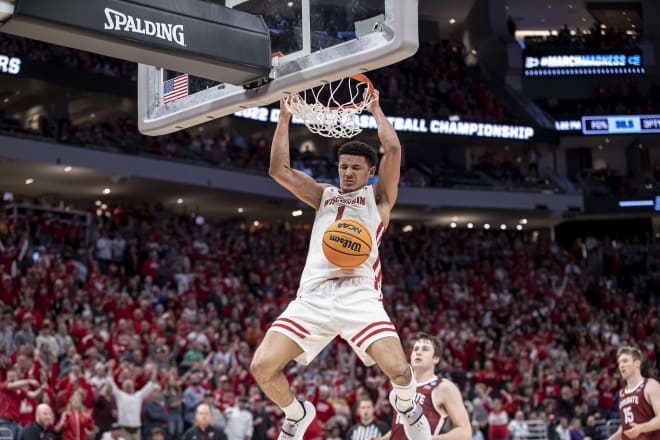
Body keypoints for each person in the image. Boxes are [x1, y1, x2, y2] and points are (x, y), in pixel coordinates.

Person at [249, 91, 431, 440]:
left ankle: (407, 406)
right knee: (262, 366)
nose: (347, 173)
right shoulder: (324, 196)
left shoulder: (379, 199)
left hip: (359, 295)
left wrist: (376, 107)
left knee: (399, 370)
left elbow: (393, 150)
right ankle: (297, 414)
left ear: (370, 171)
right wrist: (284, 116)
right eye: (343, 167)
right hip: (313, 297)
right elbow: (278, 170)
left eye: (355, 168)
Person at [381, 333, 471, 440]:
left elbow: (465, 432)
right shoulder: (402, 386)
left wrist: (428, 438)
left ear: (436, 358)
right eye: (416, 349)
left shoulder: (444, 388)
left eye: (425, 349)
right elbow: (402, 425)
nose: (418, 352)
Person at [607, 346, 660, 440]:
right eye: (619, 362)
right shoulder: (621, 393)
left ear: (637, 363)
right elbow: (626, 427)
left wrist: (641, 428)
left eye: (625, 361)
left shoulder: (650, 385)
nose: (621, 365)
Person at [106, 361, 160, 440]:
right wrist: (110, 368)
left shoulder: (138, 396)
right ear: (123, 386)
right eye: (127, 384)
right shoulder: (120, 395)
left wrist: (154, 371)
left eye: (130, 385)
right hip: (124, 428)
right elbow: (110, 382)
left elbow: (151, 384)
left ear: (133, 386)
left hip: (136, 428)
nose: (128, 386)